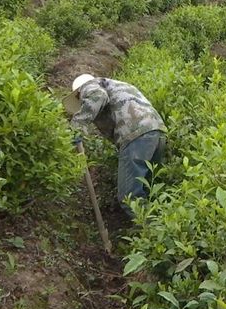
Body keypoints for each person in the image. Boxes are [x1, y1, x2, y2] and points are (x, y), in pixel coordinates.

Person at [64, 74, 167, 215]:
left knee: (130, 198)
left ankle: (149, 227)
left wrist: (77, 125)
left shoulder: (90, 86)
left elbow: (98, 96)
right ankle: (159, 225)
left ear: (79, 93)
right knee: (148, 189)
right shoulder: (117, 86)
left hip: (136, 135)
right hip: (157, 131)